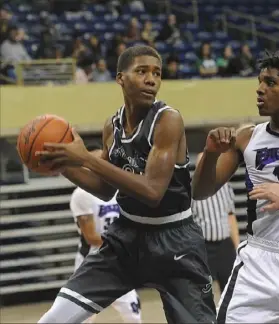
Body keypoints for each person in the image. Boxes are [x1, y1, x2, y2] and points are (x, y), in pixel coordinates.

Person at [37, 45, 216, 324]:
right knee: (54, 319)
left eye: (157, 73)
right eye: (142, 71)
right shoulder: (113, 124)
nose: (151, 79)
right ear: (121, 78)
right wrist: (63, 166)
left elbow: (152, 192)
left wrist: (85, 157)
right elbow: (104, 188)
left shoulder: (168, 119)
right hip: (126, 235)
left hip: (175, 239)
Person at [192, 50, 279, 323]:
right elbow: (200, 192)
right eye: (259, 81)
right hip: (260, 261)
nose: (259, 89)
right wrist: (210, 154)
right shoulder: (247, 137)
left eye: (270, 83)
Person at [70, 144, 141, 324]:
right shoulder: (81, 195)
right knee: (82, 317)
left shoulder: (119, 189)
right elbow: (91, 236)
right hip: (91, 261)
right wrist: (124, 240)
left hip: (118, 259)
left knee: (133, 314)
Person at [192, 152, 239, 294]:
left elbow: (231, 217)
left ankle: (228, 316)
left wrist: (237, 247)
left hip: (224, 245)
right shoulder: (191, 191)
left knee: (231, 287)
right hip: (203, 246)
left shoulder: (226, 187)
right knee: (201, 290)